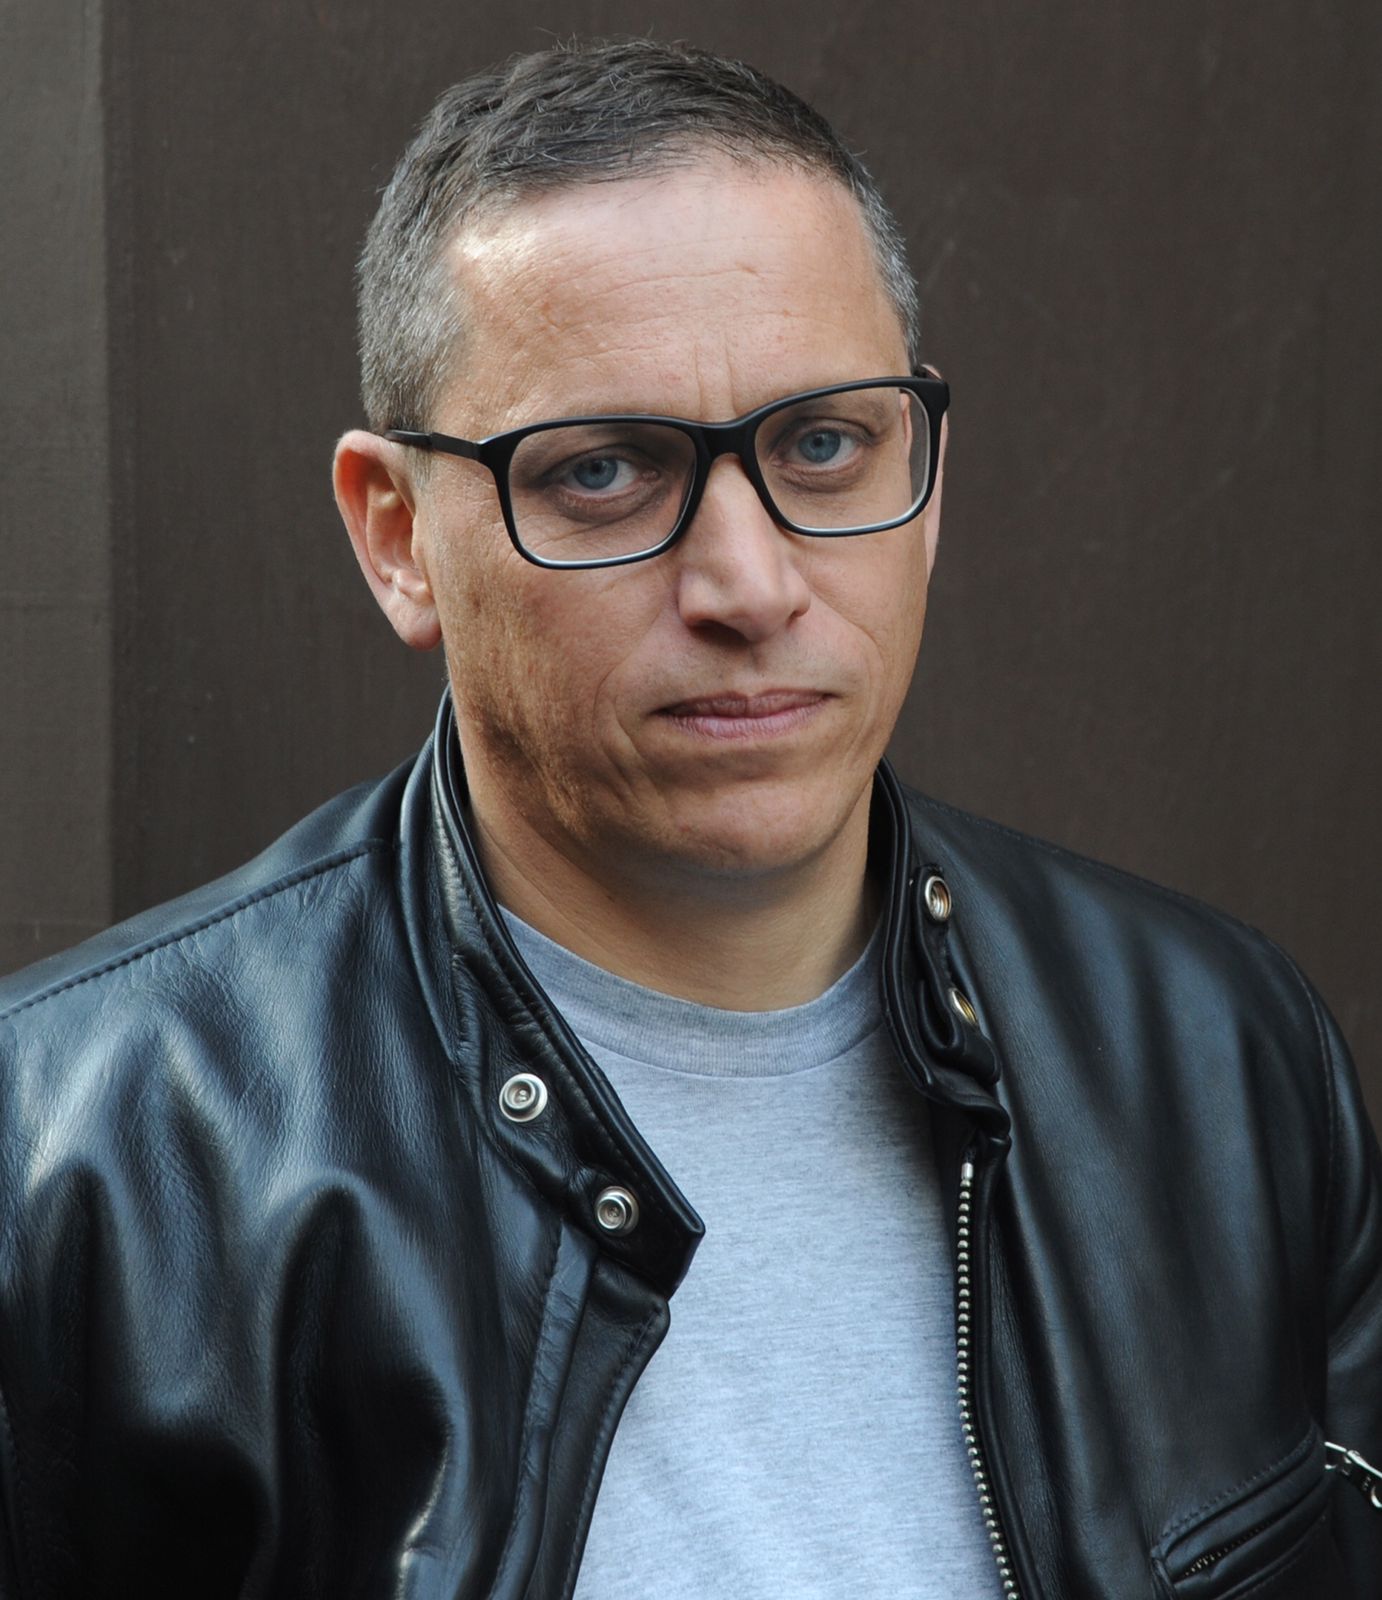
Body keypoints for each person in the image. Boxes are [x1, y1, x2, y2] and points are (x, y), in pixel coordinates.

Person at [0, 36, 1378, 1600]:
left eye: (823, 445)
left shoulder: (1222, 1057)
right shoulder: (67, 1174)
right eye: (603, 470)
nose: (747, 584)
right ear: (396, 537)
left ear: (927, 475)